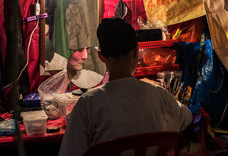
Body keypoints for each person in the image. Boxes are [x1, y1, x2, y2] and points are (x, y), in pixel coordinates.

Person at [59, 18, 192, 156]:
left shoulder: (87, 105)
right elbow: (187, 118)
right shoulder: (159, 95)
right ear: (136, 51)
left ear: (101, 57)